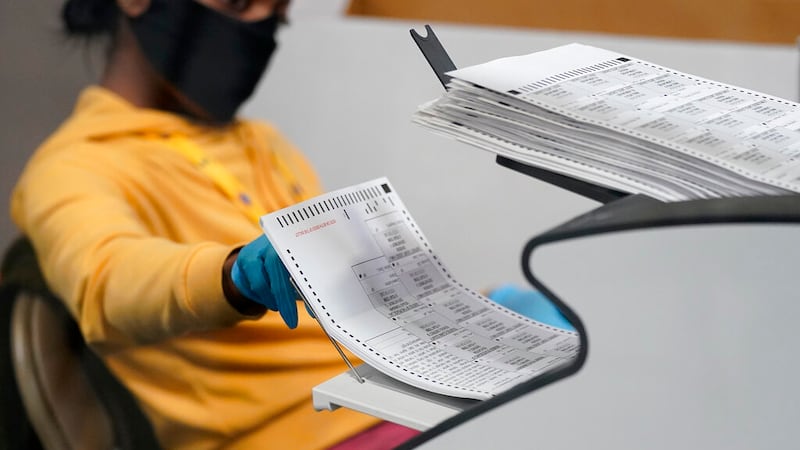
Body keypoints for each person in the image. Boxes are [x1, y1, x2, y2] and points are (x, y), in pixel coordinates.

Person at [10, 0, 572, 448]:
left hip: (402, 393)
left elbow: (355, 295)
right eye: (239, 4)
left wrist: (479, 314)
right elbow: (108, 284)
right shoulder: (70, 168)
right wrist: (232, 275)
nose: (259, 34)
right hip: (297, 433)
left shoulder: (263, 142)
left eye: (277, 15)